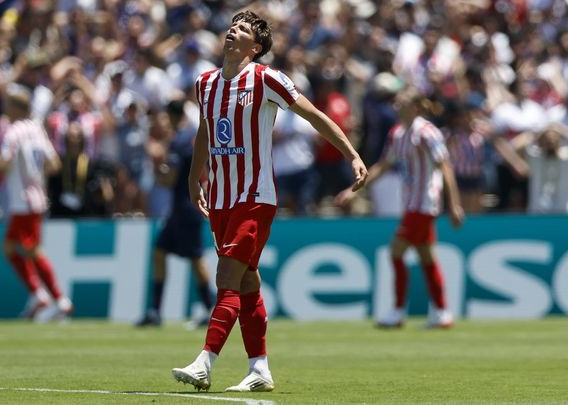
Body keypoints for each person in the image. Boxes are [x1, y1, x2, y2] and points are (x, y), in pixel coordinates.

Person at [171, 11, 367, 393]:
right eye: (233, 26)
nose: (233, 30)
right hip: (221, 198)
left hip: (254, 196)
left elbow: (315, 116)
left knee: (227, 278)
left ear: (256, 47)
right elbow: (205, 133)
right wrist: (195, 179)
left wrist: (352, 154)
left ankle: (205, 362)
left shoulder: (266, 79)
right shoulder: (205, 84)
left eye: (243, 29)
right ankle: (259, 368)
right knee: (247, 281)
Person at [336, 85, 464, 329]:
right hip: (411, 202)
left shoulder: (427, 132)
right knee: (427, 257)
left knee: (396, 251)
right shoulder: (397, 133)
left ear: (414, 106)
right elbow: (384, 165)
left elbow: (445, 166)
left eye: (402, 101)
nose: (397, 105)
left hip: (424, 202)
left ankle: (397, 311)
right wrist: (354, 190)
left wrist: (455, 205)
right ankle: (441, 312)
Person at [0, 84, 73, 321]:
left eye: (8, 105)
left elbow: (3, 166)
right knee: (11, 247)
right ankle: (39, 295)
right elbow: (54, 165)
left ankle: (59, 299)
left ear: (16, 107)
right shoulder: (37, 129)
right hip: (37, 197)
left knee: (31, 250)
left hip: (22, 200)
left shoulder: (13, 132)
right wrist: (35, 175)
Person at [136, 98, 214, 328]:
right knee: (161, 252)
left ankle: (212, 310)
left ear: (172, 115)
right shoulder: (189, 137)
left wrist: (155, 165)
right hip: (183, 208)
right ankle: (156, 312)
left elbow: (169, 179)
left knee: (196, 259)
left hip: (186, 207)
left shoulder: (180, 141)